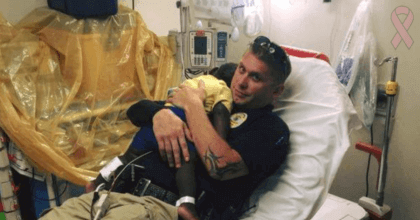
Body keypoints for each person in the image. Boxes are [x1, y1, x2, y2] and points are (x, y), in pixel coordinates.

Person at [41, 35, 292, 220]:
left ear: (276, 91)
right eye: (241, 70)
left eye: (256, 77)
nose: (242, 82)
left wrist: (192, 105)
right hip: (114, 194)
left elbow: (222, 166)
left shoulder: (271, 130)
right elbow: (135, 111)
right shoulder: (215, 94)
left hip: (162, 208)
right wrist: (162, 115)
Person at [88, 63, 238, 220]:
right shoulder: (222, 91)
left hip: (156, 203)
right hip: (132, 193)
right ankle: (187, 204)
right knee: (186, 160)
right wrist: (158, 114)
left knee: (128, 156)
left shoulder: (193, 84)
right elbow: (135, 110)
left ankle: (97, 180)